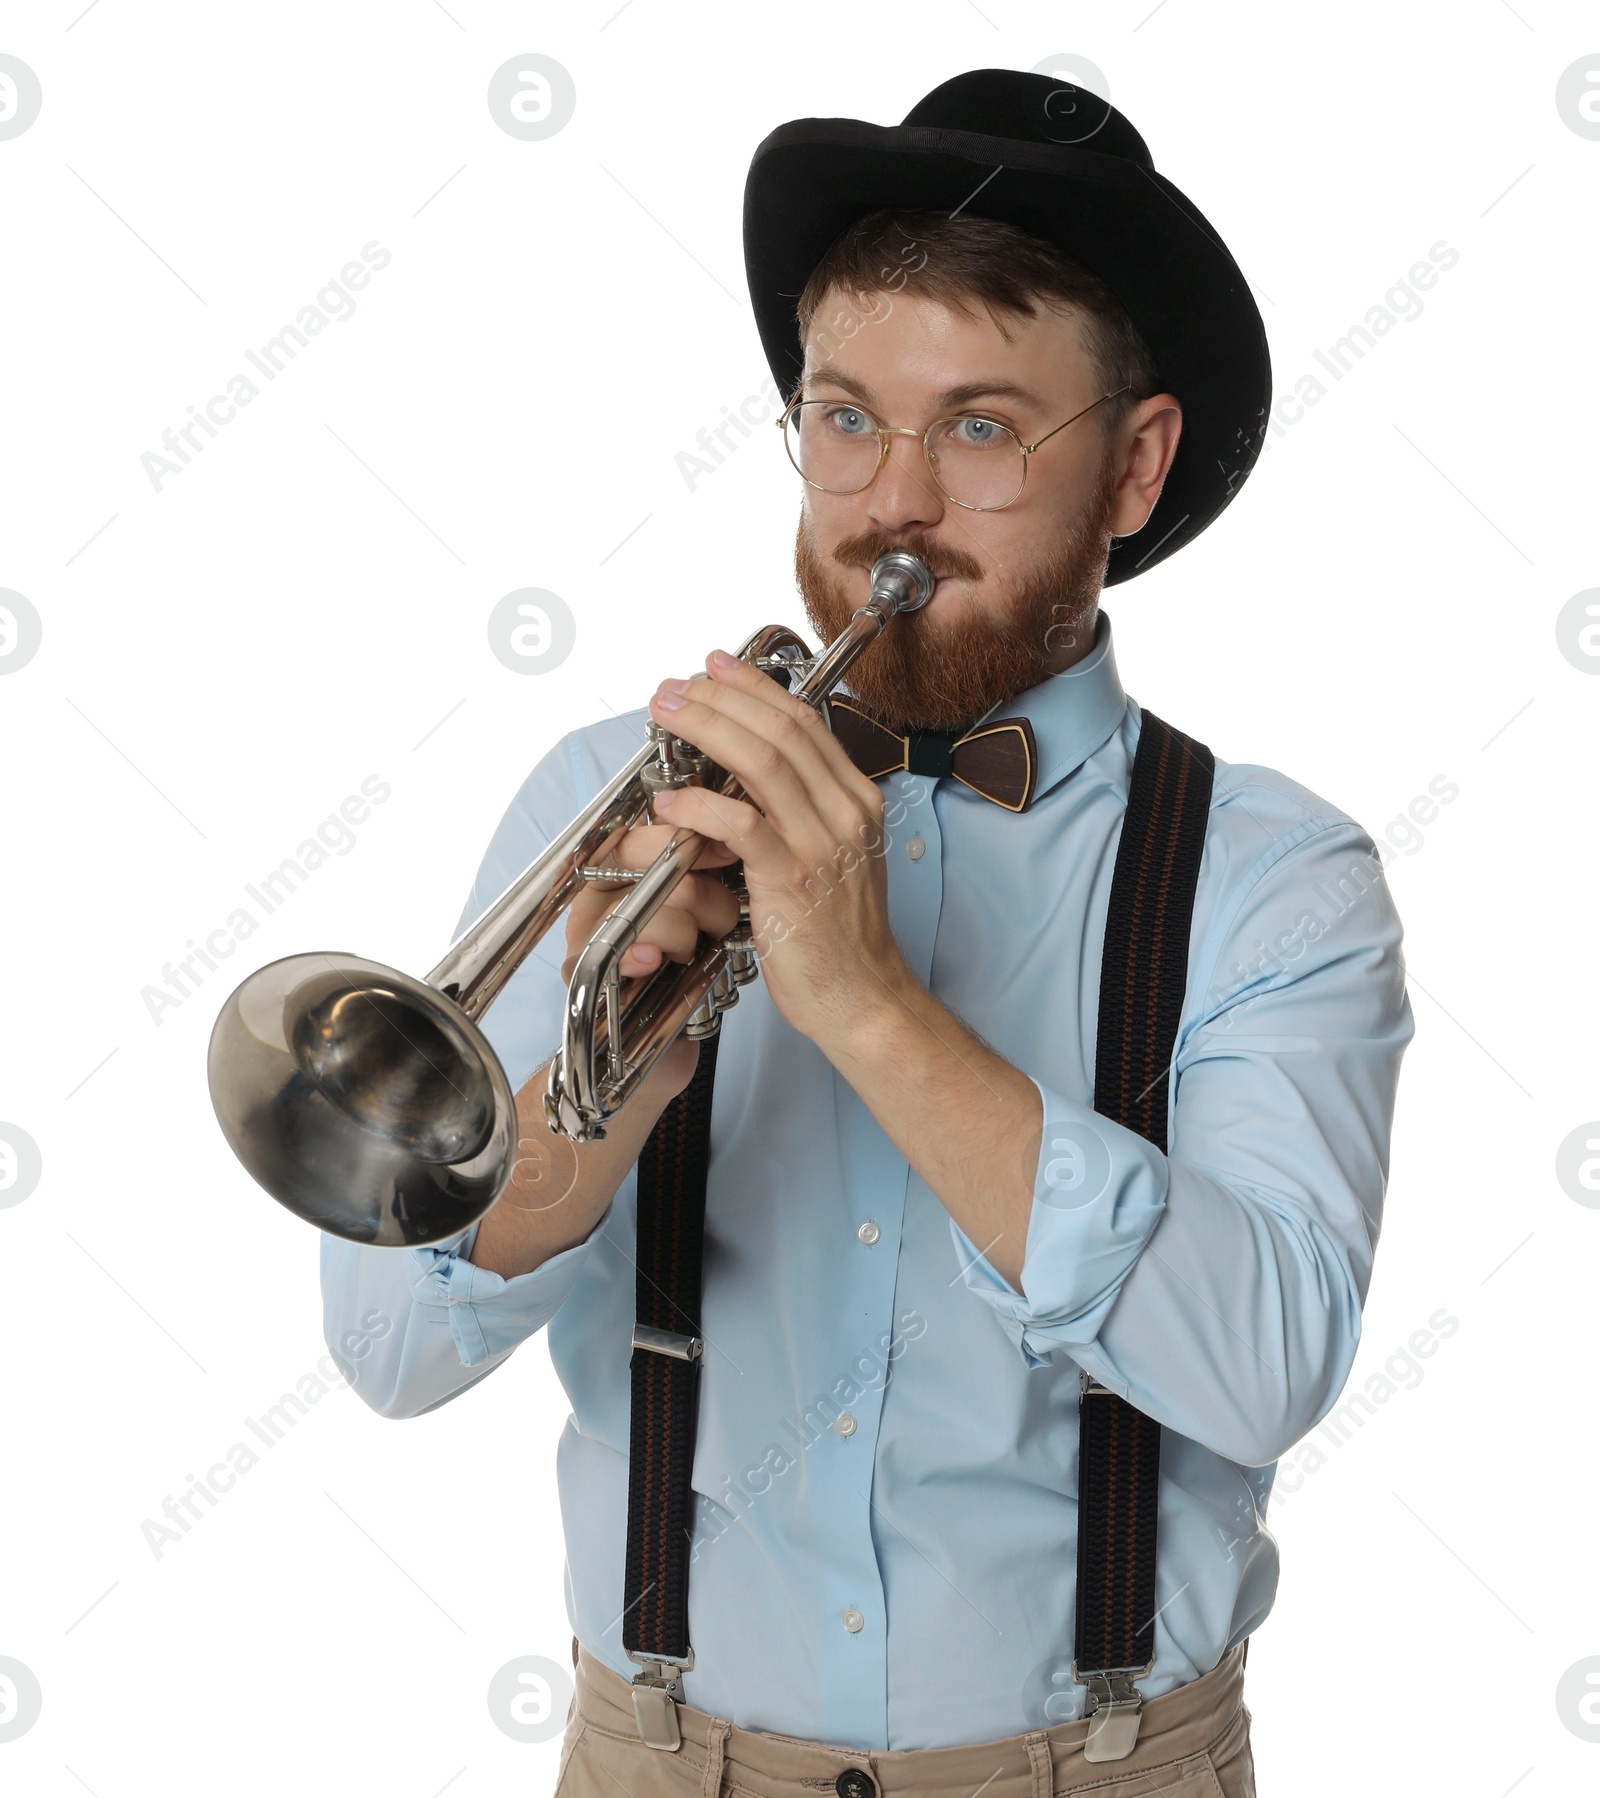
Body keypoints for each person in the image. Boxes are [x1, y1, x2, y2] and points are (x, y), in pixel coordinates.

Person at [323, 69, 1412, 1798]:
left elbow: (1267, 1362)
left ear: (1132, 468)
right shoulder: (609, 795)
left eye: (981, 428)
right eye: (843, 417)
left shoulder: (1275, 875)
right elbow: (385, 1351)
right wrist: (603, 1093)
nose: (889, 502)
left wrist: (872, 1009)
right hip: (665, 1760)